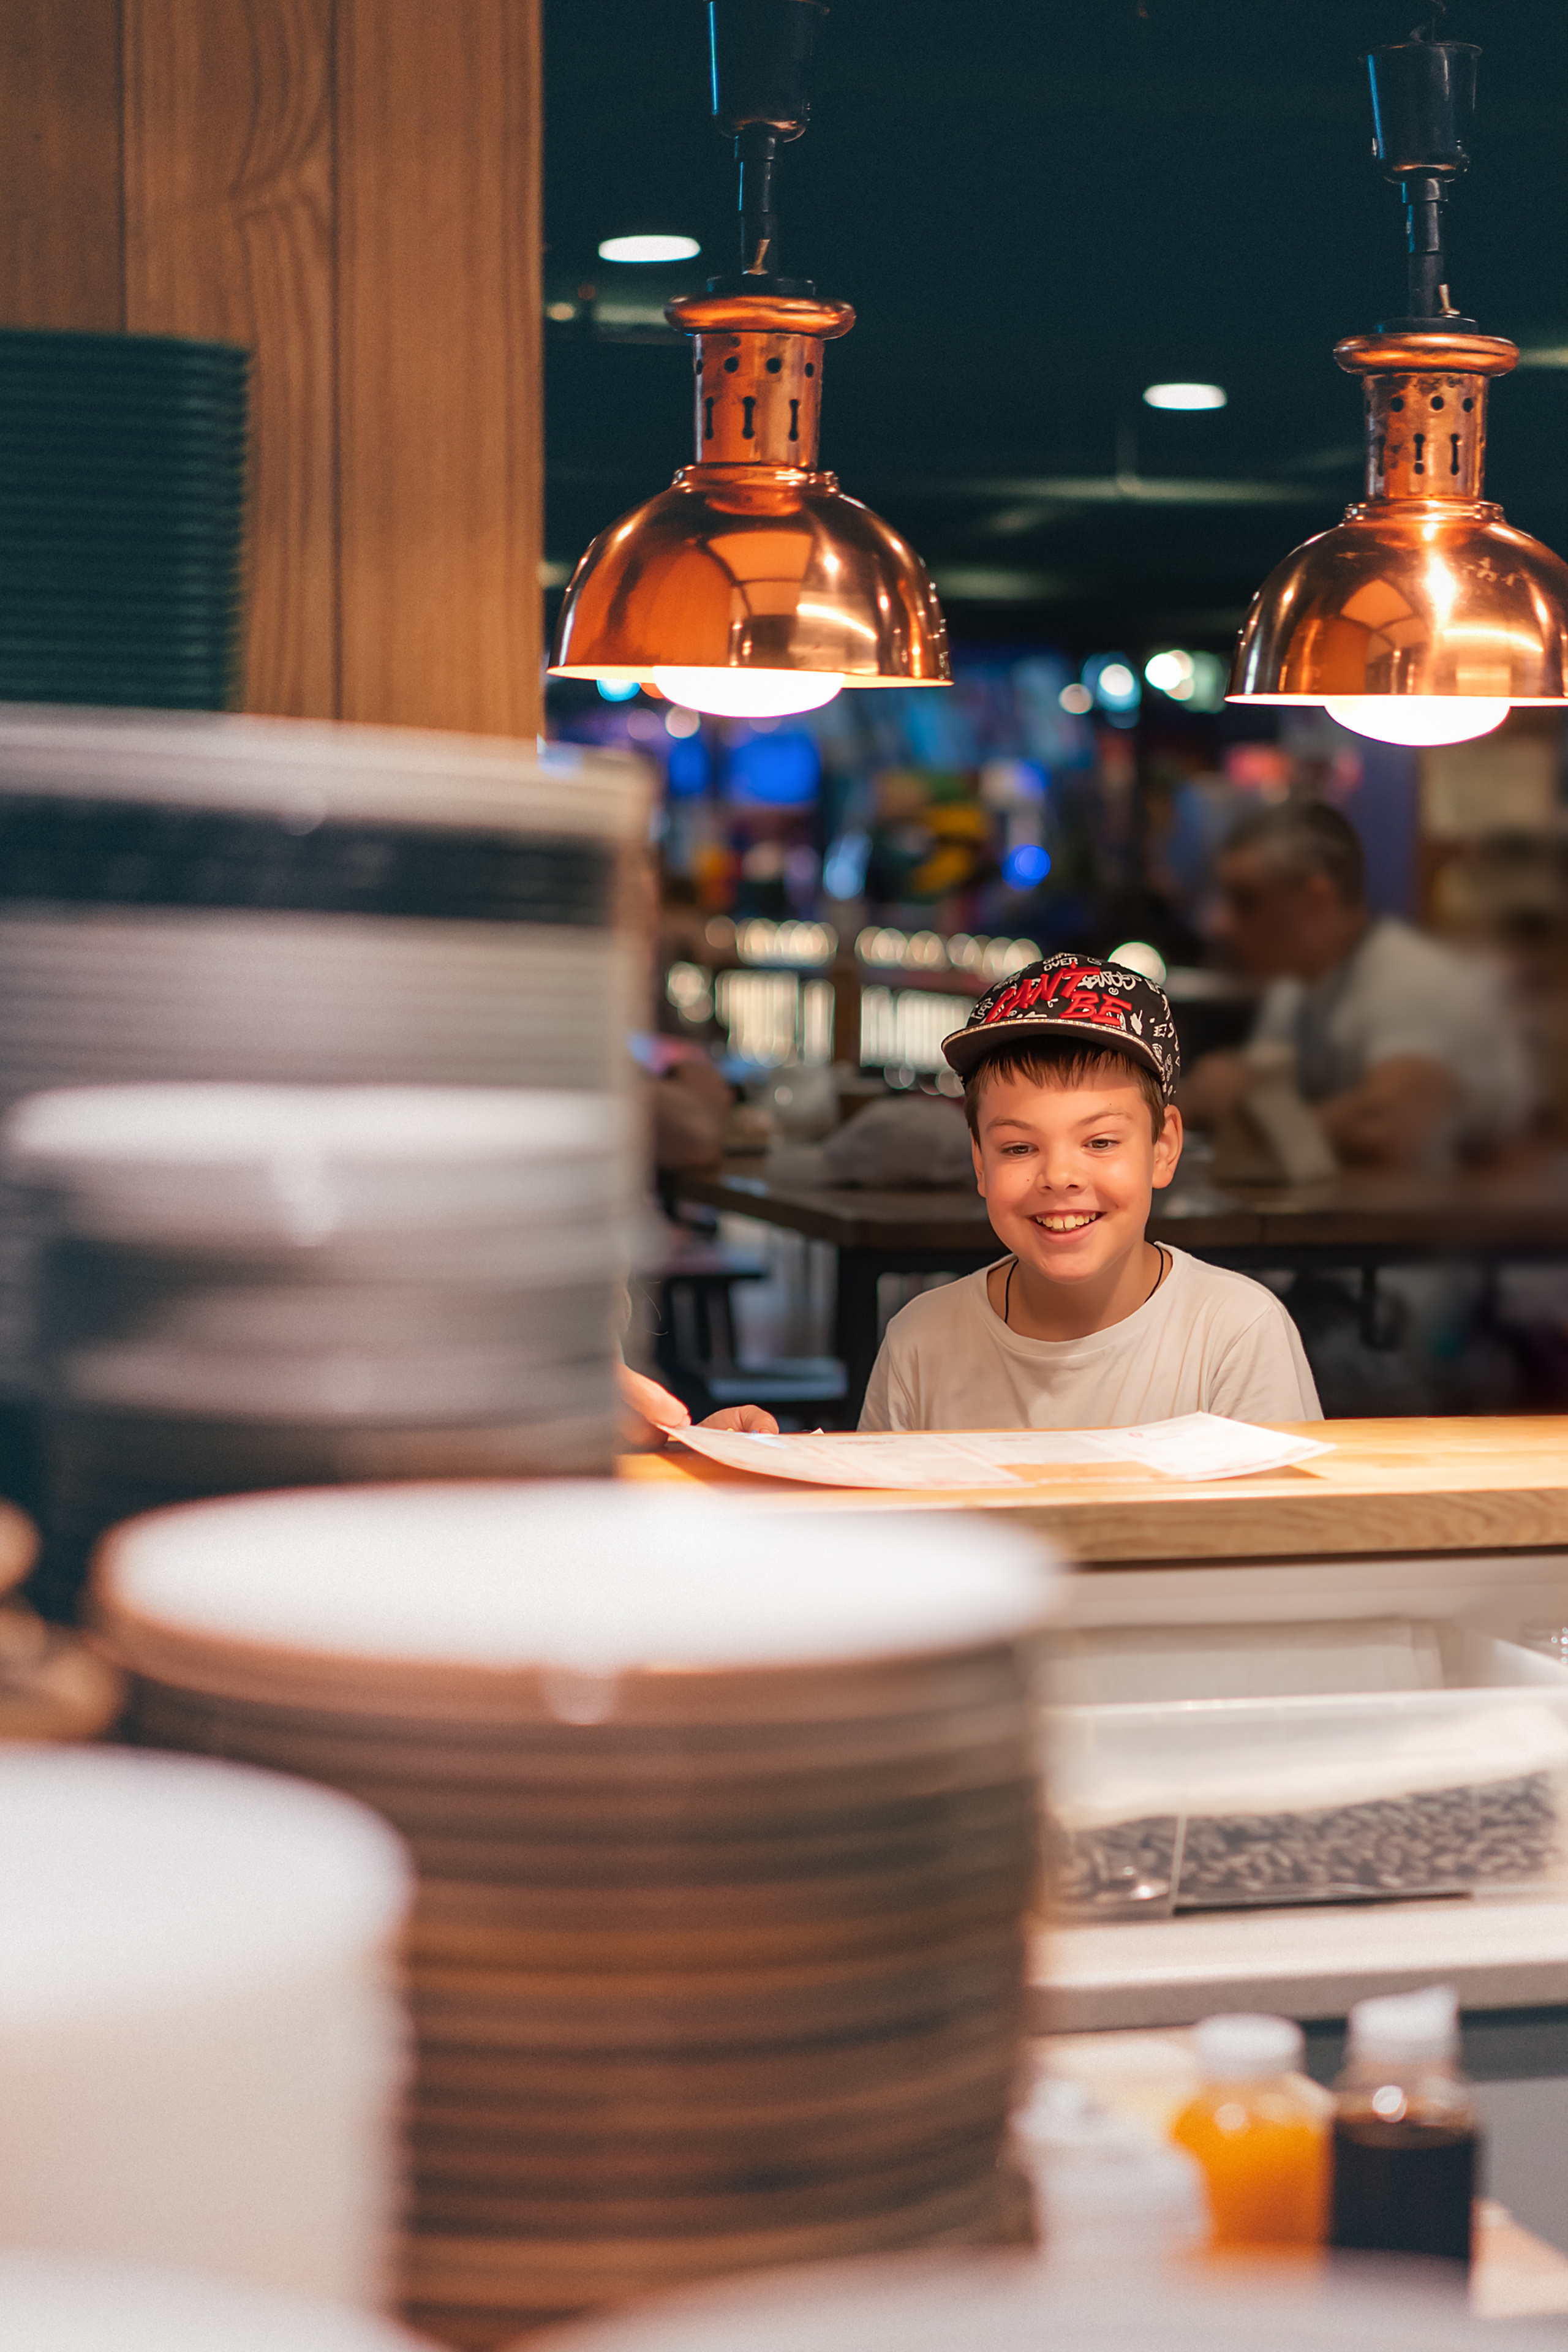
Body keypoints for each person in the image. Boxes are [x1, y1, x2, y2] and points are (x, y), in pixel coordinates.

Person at [859, 954, 1322, 1432]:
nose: (1060, 1176)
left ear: (1162, 1149)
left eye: (1100, 1142)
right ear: (980, 1161)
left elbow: (1281, 1508)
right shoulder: (920, 1341)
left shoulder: (1235, 1333)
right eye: (1019, 1147)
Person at [1179, 801, 1534, 1169]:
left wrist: (1242, 1111)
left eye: (1246, 901)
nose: (1224, 923)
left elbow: (1385, 1127)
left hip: (1485, 1224)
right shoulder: (1297, 990)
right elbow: (1243, 1085)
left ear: (1317, 902)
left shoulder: (1410, 978)